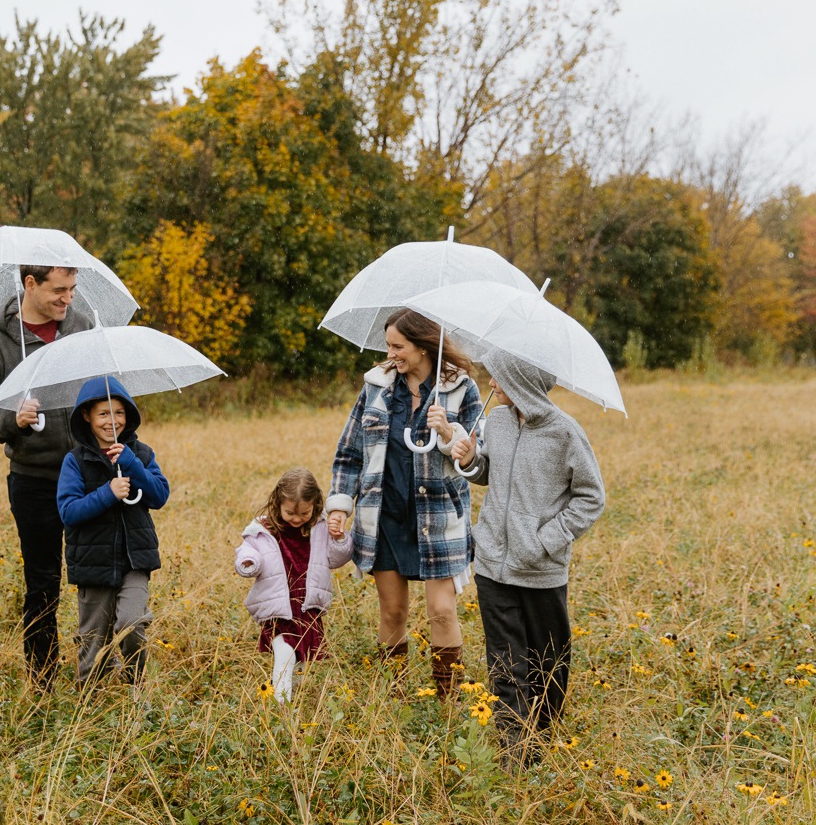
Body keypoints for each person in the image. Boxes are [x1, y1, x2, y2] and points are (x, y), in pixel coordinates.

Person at [451, 350, 605, 763]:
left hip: (540, 571)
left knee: (548, 661)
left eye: (498, 377)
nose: (491, 385)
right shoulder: (497, 421)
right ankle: (515, 751)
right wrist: (469, 460)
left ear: (520, 380)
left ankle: (543, 738)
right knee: (505, 662)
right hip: (492, 566)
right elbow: (489, 472)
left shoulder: (565, 433)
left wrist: (544, 540)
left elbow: (592, 498)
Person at [327, 308, 481, 699]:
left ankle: (446, 702)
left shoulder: (462, 389)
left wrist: (449, 432)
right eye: (388, 345)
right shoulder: (375, 387)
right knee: (392, 611)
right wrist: (341, 505)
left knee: (442, 611)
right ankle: (393, 701)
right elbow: (349, 453)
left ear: (424, 346)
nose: (391, 353)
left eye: (399, 346)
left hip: (439, 518)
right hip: (384, 516)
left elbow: (476, 462)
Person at [0, 264, 91, 688]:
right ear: (30, 284)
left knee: (96, 576)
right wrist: (13, 417)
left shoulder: (81, 329)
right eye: (59, 290)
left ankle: (95, 670)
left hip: (87, 474)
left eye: (73, 289)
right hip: (33, 480)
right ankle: (42, 680)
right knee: (42, 582)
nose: (68, 299)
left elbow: (101, 389)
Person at [56, 376, 171, 686]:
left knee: (131, 624)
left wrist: (132, 463)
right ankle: (88, 705)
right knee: (92, 642)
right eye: (103, 414)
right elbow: (69, 512)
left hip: (135, 561)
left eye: (119, 412)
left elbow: (159, 496)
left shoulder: (140, 454)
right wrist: (107, 493)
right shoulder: (75, 461)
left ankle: (135, 686)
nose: (112, 421)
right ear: (86, 416)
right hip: (93, 562)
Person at [235, 468, 353, 703]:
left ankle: (292, 692)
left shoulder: (320, 527)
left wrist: (339, 538)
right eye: (290, 513)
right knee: (285, 652)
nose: (297, 519)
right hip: (278, 602)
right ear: (277, 503)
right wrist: (249, 562)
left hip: (307, 604)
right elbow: (248, 550)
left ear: (316, 505)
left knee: (300, 655)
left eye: (304, 513)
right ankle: (281, 702)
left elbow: (337, 558)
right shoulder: (263, 528)